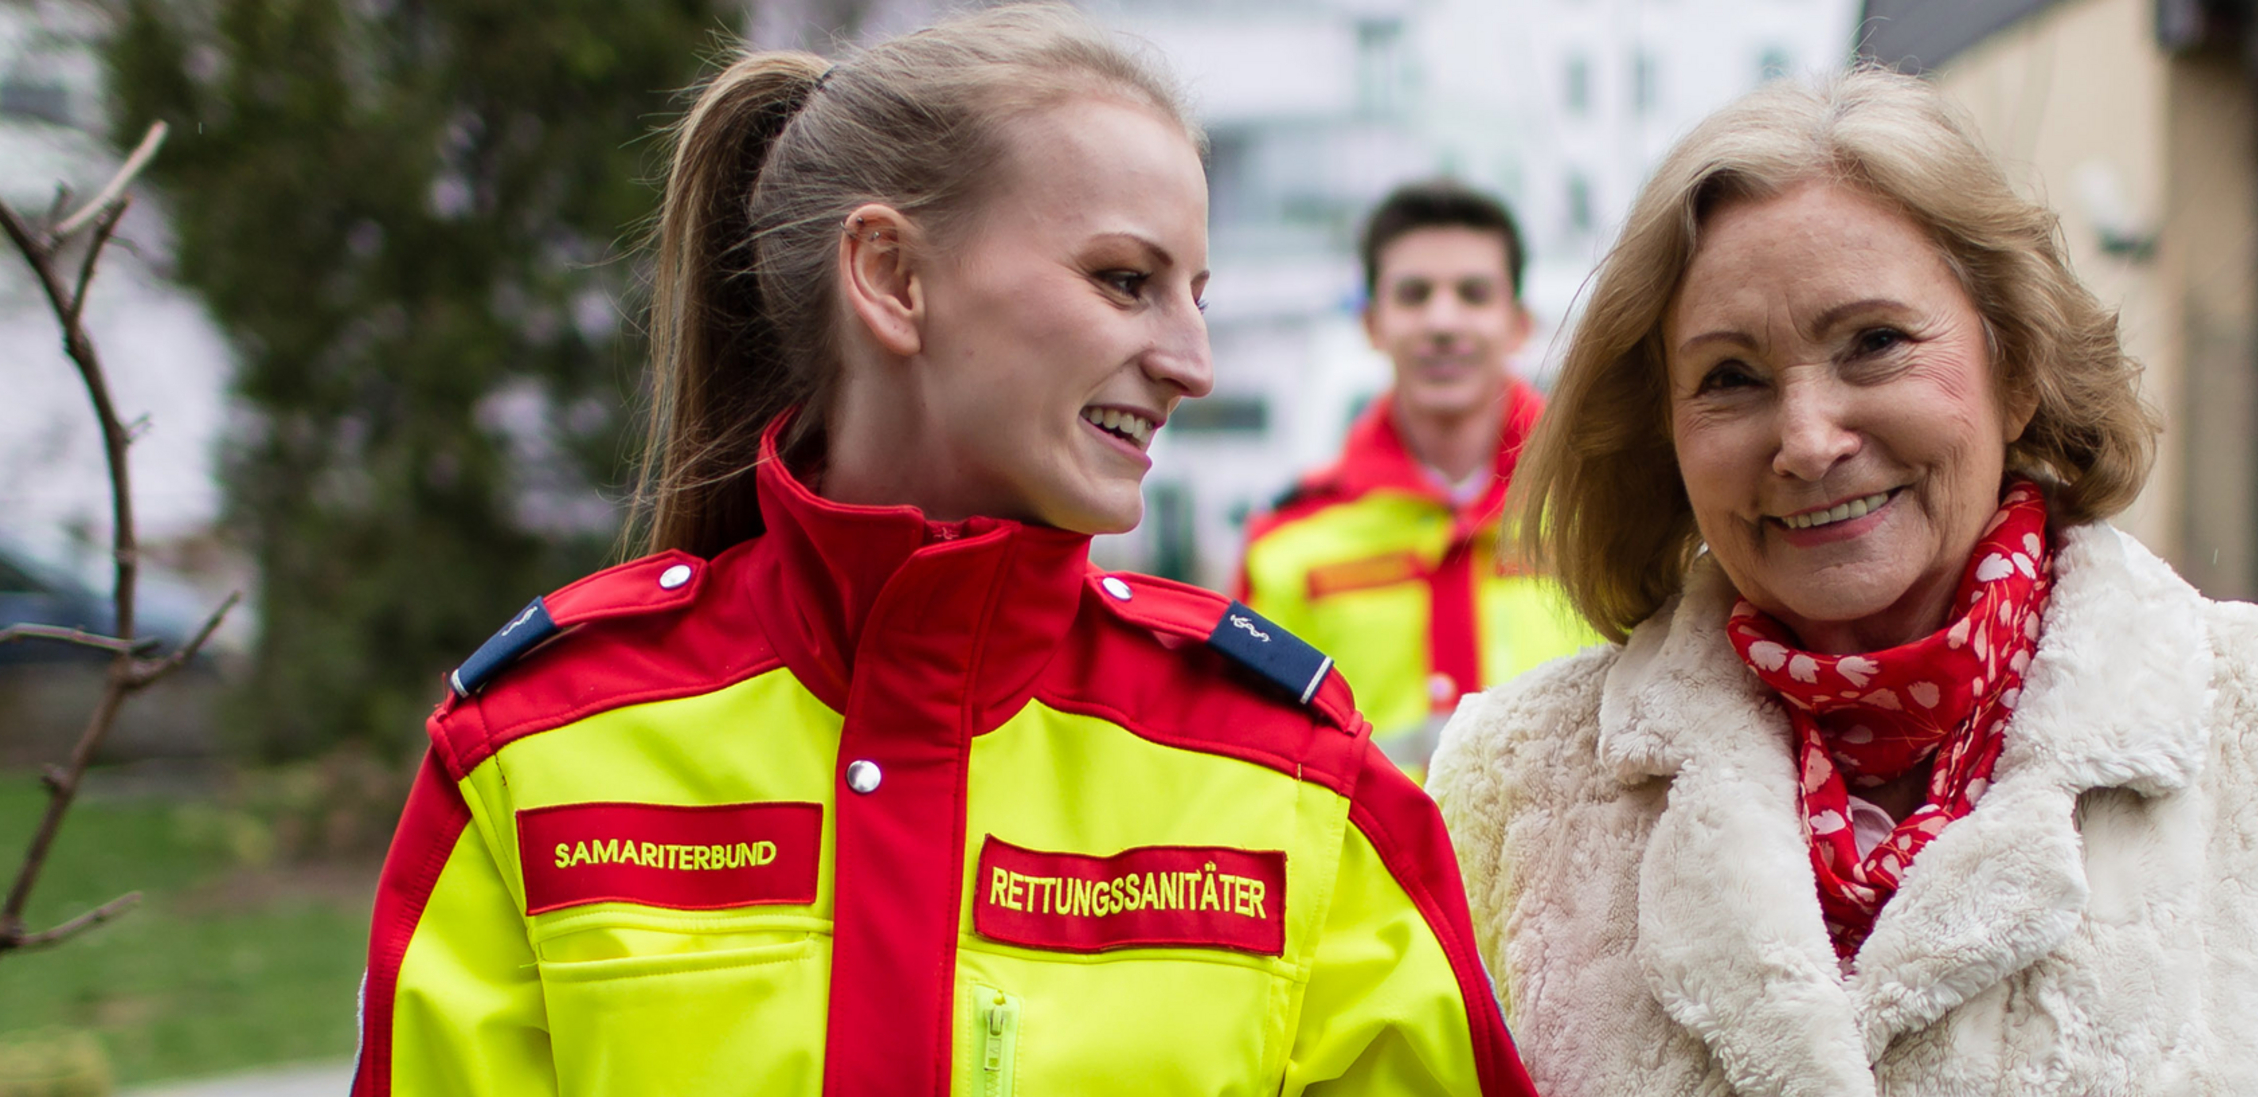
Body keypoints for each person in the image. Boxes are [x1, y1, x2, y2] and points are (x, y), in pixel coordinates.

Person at [350, 9, 1531, 1094]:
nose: (1191, 361)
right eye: (1126, 280)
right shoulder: (533, 750)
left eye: (1196, 295)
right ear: (892, 276)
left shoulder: (1294, 779)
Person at [1426, 71, 2258, 1094]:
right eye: (1731, 377)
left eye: (1873, 343)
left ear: (2017, 368)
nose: (1808, 438)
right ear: (1663, 431)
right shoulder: (1514, 797)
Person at [1238, 181, 1599, 769]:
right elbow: (1255, 754)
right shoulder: (1287, 543)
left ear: (1518, 324)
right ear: (1373, 324)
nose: (1442, 320)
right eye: (1413, 294)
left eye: (1474, 293)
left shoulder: (1603, 513)